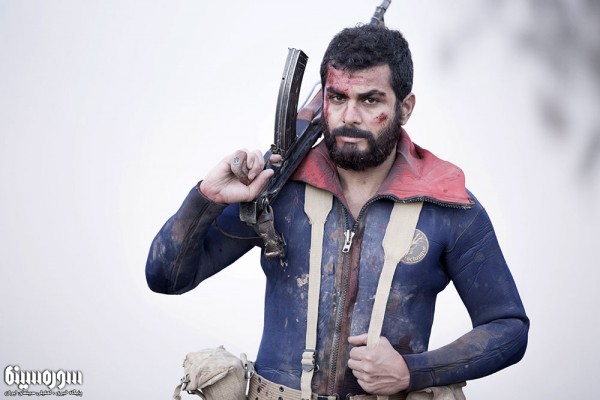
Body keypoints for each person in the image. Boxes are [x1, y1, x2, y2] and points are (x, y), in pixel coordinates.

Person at [146, 24, 529, 399]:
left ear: (405, 108)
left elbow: (508, 327)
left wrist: (411, 371)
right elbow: (166, 278)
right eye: (338, 97)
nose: (349, 116)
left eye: (370, 100)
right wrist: (208, 197)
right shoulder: (278, 188)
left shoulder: (448, 204)